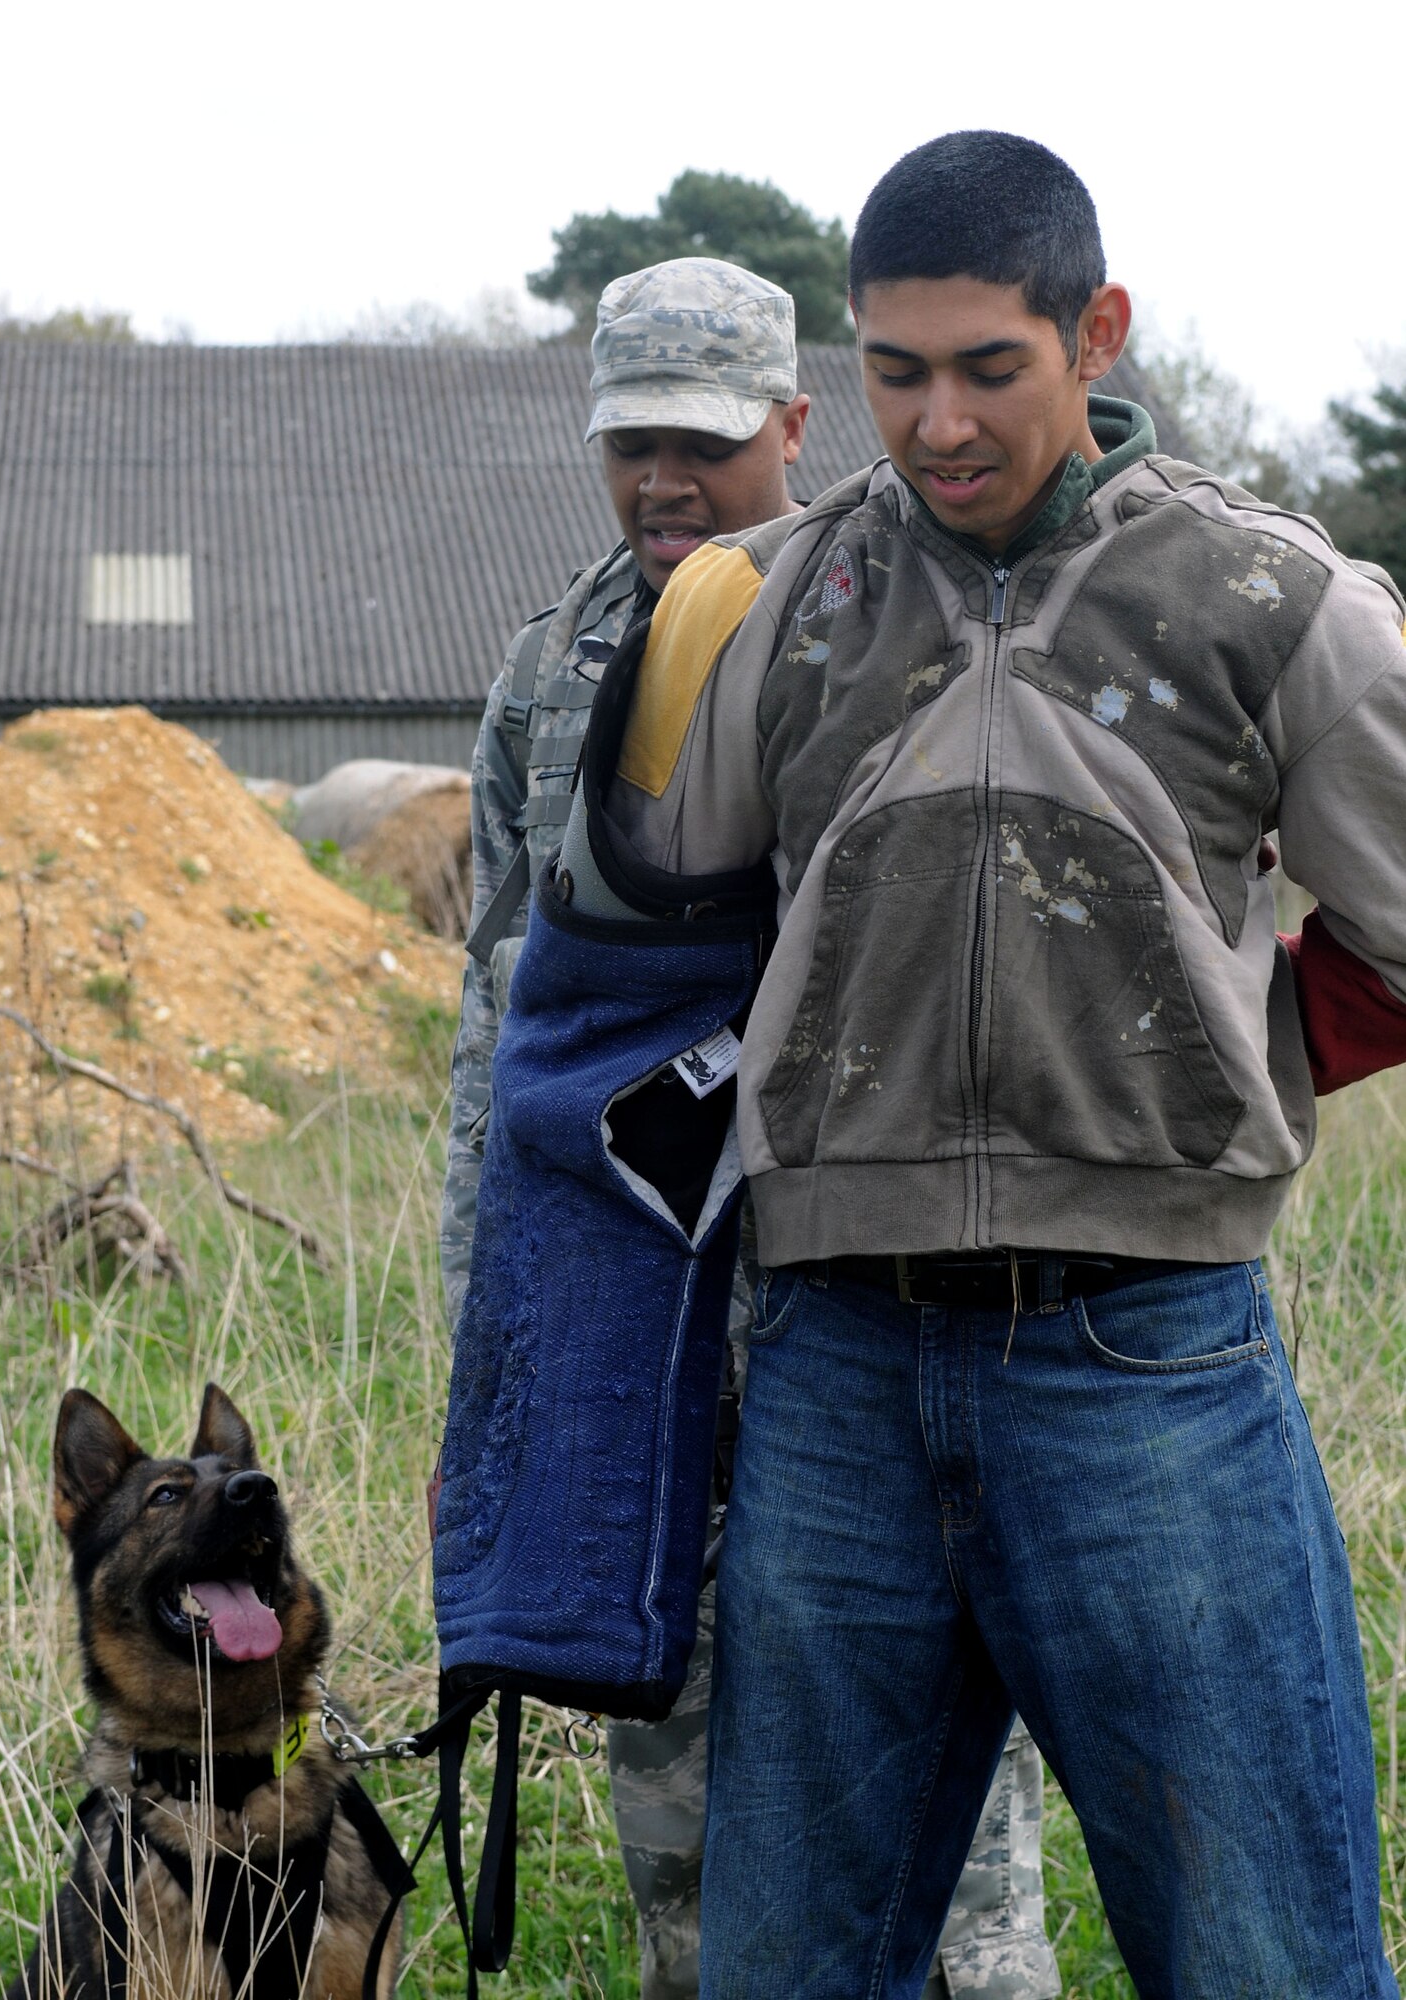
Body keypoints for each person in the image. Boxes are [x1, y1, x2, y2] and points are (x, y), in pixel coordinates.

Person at [519, 133, 1406, 1996]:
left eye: (986, 368)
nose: (934, 424)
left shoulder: (1278, 604)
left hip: (1145, 1373)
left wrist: (1213, 1063)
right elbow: (649, 978)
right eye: (892, 371)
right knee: (785, 1971)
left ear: (1094, 331)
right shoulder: (765, 605)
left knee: (1266, 1963)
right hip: (833, 1369)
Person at [440, 256, 1060, 2000]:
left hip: (884, 1322)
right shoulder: (552, 675)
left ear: (797, 422)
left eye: (704, 443)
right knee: (697, 1862)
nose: (662, 481)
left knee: (953, 1883)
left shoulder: (922, 611)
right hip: (654, 1343)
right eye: (629, 441)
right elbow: (504, 1039)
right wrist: (495, 1338)